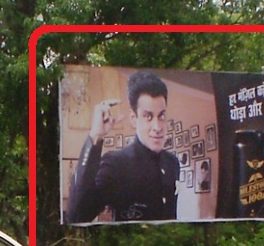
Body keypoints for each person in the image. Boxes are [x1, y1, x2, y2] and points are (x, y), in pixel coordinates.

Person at [66, 71, 181, 223]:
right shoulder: (115, 164)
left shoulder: (172, 162)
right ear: (134, 119)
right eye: (148, 116)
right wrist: (96, 135)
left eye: (161, 116)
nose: (157, 127)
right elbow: (76, 216)